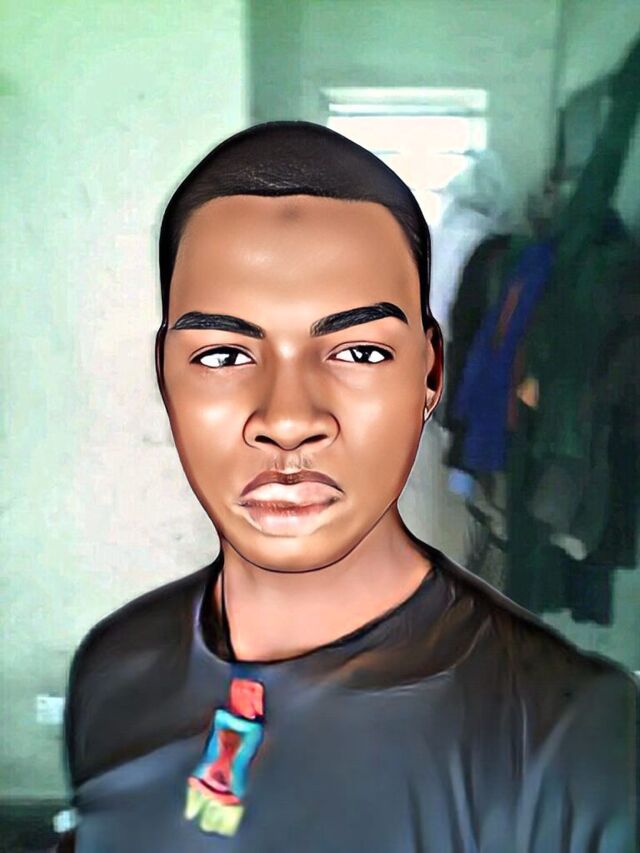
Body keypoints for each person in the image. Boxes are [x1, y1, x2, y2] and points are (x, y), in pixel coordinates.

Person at [61, 122, 638, 852]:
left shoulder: (570, 739)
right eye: (224, 354)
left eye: (359, 351)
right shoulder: (112, 674)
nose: (288, 420)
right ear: (165, 376)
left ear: (430, 374)